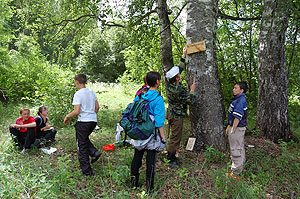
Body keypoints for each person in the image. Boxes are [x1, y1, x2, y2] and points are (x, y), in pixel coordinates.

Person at [130, 71, 166, 192]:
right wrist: (163, 138)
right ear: (157, 82)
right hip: (152, 134)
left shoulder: (140, 96)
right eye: (159, 80)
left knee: (137, 157)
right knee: (151, 160)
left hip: (139, 131)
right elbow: (159, 123)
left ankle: (133, 184)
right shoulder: (158, 99)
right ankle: (150, 188)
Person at [63, 73, 101, 176]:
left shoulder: (78, 94)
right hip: (93, 121)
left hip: (83, 122)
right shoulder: (92, 92)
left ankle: (87, 171)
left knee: (82, 146)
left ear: (77, 82)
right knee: (83, 139)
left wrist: (67, 116)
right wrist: (91, 114)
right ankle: (94, 152)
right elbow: (97, 107)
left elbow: (77, 111)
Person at [165, 47, 196, 166]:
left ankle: (171, 153)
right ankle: (170, 158)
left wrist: (183, 56)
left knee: (173, 135)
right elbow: (190, 100)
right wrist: (192, 91)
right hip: (177, 115)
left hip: (171, 113)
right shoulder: (179, 90)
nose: (179, 73)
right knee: (175, 137)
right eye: (179, 74)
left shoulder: (170, 83)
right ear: (177, 78)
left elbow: (179, 68)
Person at [225, 81, 248, 180]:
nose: (233, 89)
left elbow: (237, 118)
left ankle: (236, 172)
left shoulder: (240, 101)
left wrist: (232, 130)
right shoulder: (237, 99)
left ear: (241, 90)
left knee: (235, 149)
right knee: (239, 146)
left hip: (237, 128)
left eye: (236, 88)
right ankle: (240, 167)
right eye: (234, 88)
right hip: (235, 127)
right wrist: (228, 126)